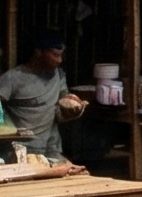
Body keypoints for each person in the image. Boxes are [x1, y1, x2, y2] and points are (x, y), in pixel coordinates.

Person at [0, 32, 84, 164]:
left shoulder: (59, 75)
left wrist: (72, 109)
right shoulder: (13, 78)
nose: (59, 60)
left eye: (61, 55)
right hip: (20, 149)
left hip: (50, 147)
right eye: (55, 55)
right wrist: (5, 127)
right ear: (38, 52)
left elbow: (60, 107)